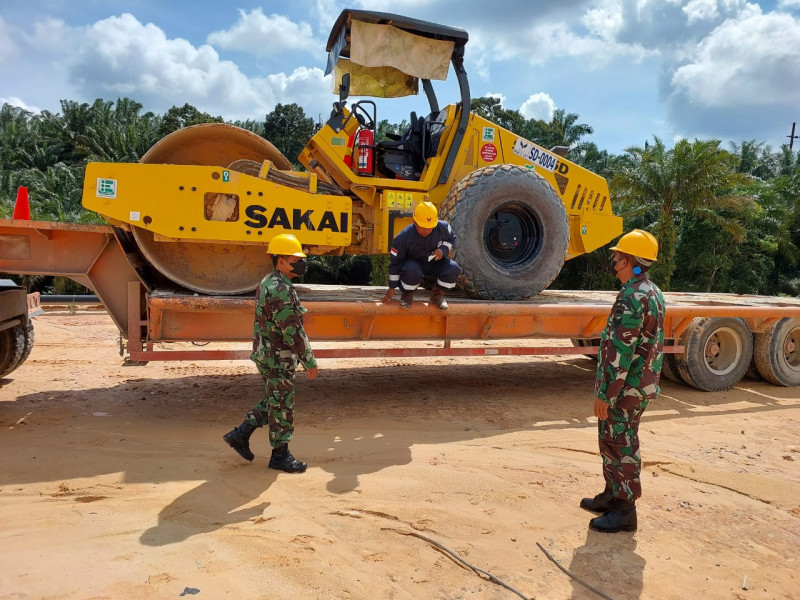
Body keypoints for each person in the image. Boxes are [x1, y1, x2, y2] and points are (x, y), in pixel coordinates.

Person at [581, 229, 665, 533]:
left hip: (625, 388)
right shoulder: (650, 291)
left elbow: (620, 352)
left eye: (616, 256)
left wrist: (606, 394)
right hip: (637, 384)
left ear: (627, 259)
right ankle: (613, 494)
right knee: (612, 440)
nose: (613, 260)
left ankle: (625, 510)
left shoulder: (632, 296)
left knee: (622, 443)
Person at [223, 233, 319, 473]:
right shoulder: (279, 288)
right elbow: (292, 330)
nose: (300, 262)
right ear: (281, 261)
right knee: (283, 404)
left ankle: (241, 434)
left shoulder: (272, 281)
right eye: (295, 258)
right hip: (277, 356)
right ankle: (280, 456)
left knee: (276, 399)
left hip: (270, 354)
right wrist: (309, 361)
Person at [381, 201, 461, 310]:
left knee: (453, 268)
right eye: (423, 227)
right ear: (415, 222)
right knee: (411, 269)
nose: (427, 230)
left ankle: (437, 296)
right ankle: (407, 295)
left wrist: (443, 250)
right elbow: (395, 263)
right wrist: (391, 288)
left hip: (434, 265)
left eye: (430, 227)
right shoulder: (403, 238)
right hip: (414, 268)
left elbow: (451, 238)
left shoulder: (443, 227)